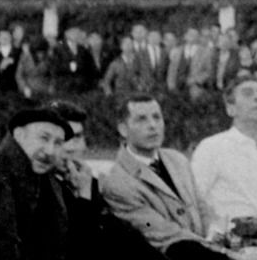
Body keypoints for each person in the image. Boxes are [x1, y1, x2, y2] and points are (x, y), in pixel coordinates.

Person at [100, 93, 232, 258]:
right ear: (123, 129)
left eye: (157, 117)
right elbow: (160, 233)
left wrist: (214, 230)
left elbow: (201, 206)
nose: (153, 125)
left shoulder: (177, 160)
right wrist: (213, 248)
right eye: (141, 119)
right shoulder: (117, 183)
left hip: (203, 250)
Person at [0, 104, 92, 260]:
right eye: (43, 138)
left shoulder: (50, 182)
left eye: (58, 143)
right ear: (19, 135)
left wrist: (84, 196)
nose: (50, 150)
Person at [45, 100, 167, 260]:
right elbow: (79, 247)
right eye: (62, 140)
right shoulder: (40, 189)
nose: (70, 148)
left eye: (77, 137)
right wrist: (83, 197)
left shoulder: (89, 182)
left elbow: (123, 235)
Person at [191, 73, 257, 239]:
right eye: (248, 94)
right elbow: (194, 202)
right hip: (225, 244)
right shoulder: (211, 148)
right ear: (230, 108)